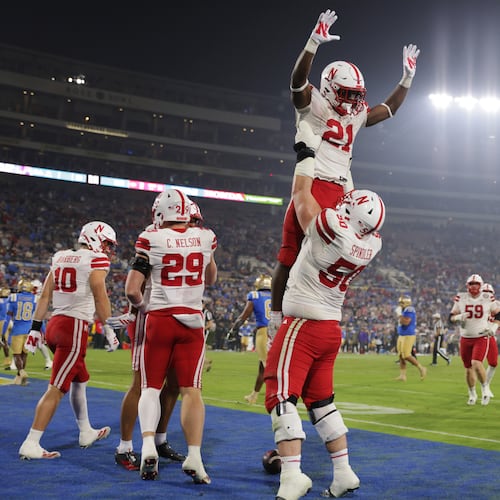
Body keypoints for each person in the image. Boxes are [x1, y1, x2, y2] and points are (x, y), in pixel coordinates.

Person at [269, 8, 420, 339]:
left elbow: (388, 110)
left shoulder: (355, 113)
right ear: (328, 87)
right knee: (290, 254)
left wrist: (406, 79)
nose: (352, 101)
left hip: (341, 193)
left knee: (338, 255)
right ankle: (277, 314)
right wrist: (313, 42)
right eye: (347, 93)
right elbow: (297, 82)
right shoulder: (314, 103)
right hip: (311, 184)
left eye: (356, 95)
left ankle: (319, 312)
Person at [264, 121, 384, 499]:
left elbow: (302, 195)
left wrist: (306, 153)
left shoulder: (332, 228)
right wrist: (345, 171)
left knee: (279, 393)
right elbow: (349, 208)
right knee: (322, 402)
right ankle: (344, 471)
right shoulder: (369, 244)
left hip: (304, 322)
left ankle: (292, 475)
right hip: (331, 329)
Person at [125, 188, 217, 482]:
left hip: (161, 318)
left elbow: (131, 289)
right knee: (192, 391)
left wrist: (143, 307)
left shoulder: (150, 239)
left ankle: (148, 444)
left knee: (150, 387)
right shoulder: (206, 237)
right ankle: (195, 455)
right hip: (192, 321)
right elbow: (211, 278)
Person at [18, 221, 119, 459]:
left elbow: (44, 296)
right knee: (57, 388)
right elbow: (99, 295)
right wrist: (110, 328)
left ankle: (86, 431)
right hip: (73, 328)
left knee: (79, 379)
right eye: (106, 243)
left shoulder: (61, 256)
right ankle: (31, 442)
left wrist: (35, 328)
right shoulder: (95, 261)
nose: (107, 249)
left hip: (55, 325)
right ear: (95, 239)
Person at [107, 226, 186, 472]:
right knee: (142, 385)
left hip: (179, 319)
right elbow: (135, 286)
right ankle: (124, 447)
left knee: (173, 385)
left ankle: (160, 440)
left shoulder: (189, 241)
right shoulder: (152, 239)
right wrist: (136, 312)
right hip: (150, 318)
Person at [449, 274, 500, 406]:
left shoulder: (487, 298)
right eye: (471, 284)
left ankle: (485, 388)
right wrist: (458, 317)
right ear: (467, 285)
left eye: (476, 284)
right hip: (465, 337)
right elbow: (451, 318)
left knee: (477, 363)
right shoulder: (461, 297)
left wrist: (493, 328)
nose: (473, 287)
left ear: (481, 285)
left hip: (482, 336)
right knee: (468, 368)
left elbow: (498, 314)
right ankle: (472, 393)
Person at [228, 273, 271, 405]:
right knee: (263, 367)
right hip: (278, 331)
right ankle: (254, 396)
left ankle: (277, 396)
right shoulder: (277, 295)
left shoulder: (255, 295)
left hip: (264, 333)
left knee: (268, 367)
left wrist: (233, 329)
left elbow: (244, 315)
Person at [6, 278, 37, 385]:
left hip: (17, 330)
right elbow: (38, 317)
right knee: (25, 354)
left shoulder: (14, 297)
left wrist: (3, 332)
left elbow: (8, 317)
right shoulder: (34, 299)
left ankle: (21, 372)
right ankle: (20, 378)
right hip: (29, 330)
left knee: (16, 354)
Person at [394, 294, 427, 381]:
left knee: (406, 355)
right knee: (401, 356)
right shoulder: (404, 310)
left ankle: (421, 368)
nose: (400, 304)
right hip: (401, 334)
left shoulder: (409, 309)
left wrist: (399, 315)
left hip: (408, 335)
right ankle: (403, 375)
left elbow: (406, 322)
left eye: (402, 302)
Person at [479, 283, 498, 398]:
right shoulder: (476, 306)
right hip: (478, 337)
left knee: (493, 363)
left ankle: (486, 386)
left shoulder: (496, 305)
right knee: (476, 364)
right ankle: (482, 389)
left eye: (489, 293)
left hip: (490, 337)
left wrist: (494, 328)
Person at [31, 279, 53, 369]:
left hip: (36, 322)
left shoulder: (38, 298)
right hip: (28, 322)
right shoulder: (34, 297)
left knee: (40, 343)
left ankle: (49, 361)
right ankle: (14, 363)